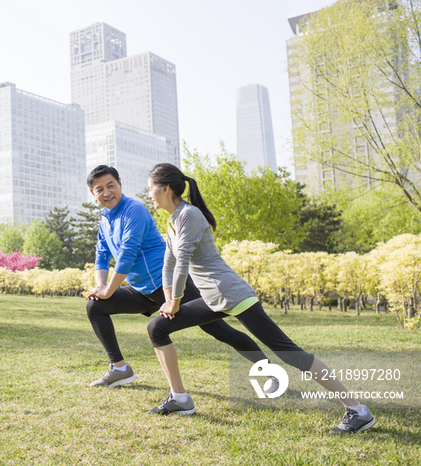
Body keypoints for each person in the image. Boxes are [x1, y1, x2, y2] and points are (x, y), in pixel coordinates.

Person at [145, 162, 376, 433]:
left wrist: (175, 301)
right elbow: (168, 264)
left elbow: (183, 261)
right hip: (213, 298)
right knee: (157, 327)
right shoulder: (174, 220)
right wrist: (169, 297)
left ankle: (358, 410)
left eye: (150, 188)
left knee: (291, 354)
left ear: (165, 188)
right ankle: (181, 399)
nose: (149, 194)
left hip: (232, 294)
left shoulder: (190, 215)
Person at [85, 165, 271, 391]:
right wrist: (101, 286)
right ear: (93, 193)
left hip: (169, 285)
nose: (106, 192)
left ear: (120, 183)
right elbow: (101, 255)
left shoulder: (134, 210)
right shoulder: (105, 219)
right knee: (95, 306)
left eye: (110, 185)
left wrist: (109, 290)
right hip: (142, 291)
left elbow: (127, 255)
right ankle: (119, 369)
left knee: (219, 330)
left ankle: (269, 373)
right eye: (99, 189)